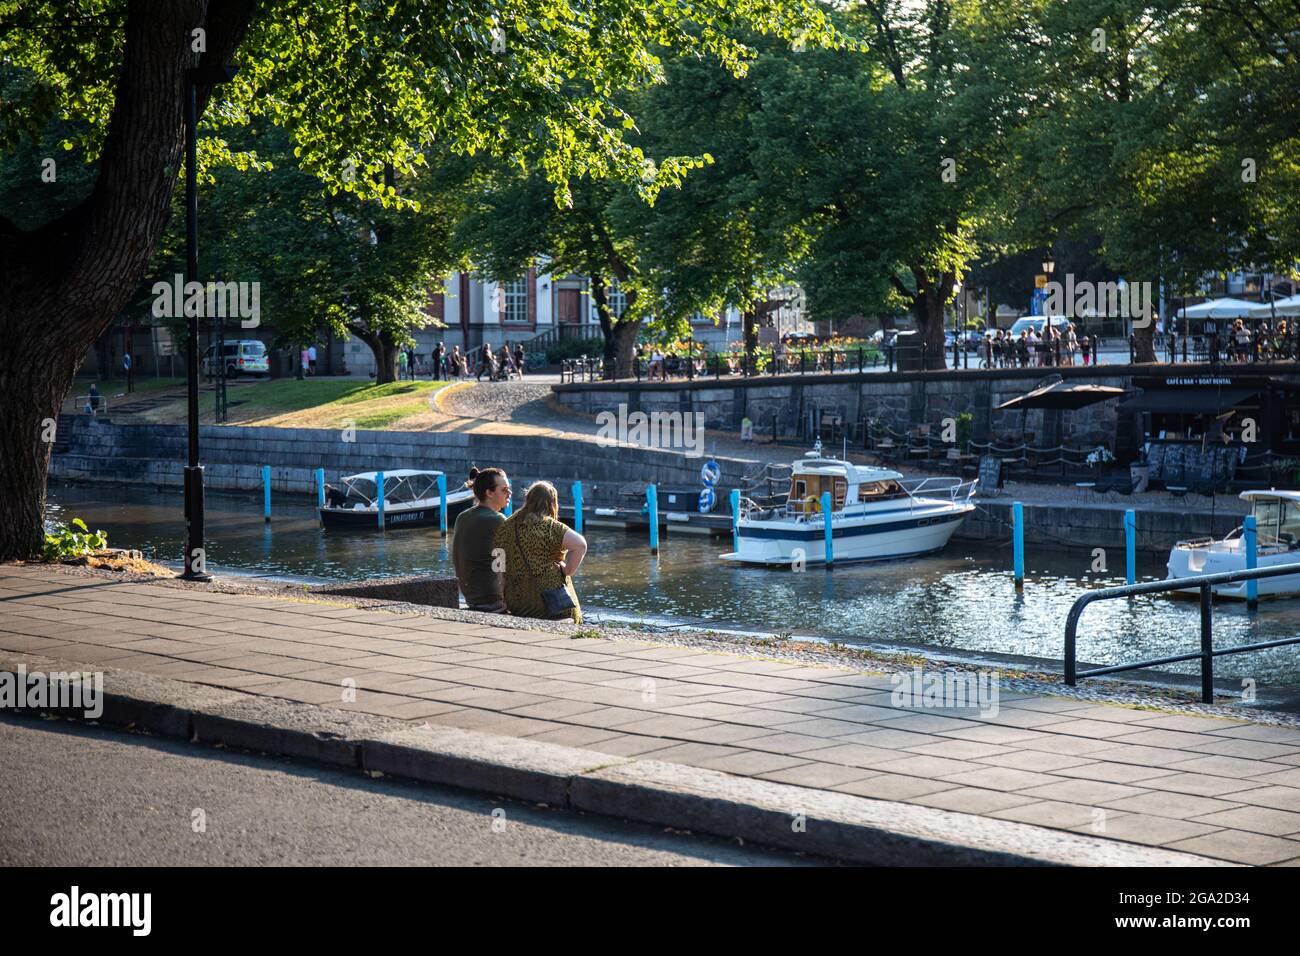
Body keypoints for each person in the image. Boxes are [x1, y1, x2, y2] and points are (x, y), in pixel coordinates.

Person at [494, 480, 587, 623]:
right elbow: (580, 545)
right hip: (553, 603)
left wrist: (501, 596)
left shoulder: (506, 526)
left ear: (528, 499)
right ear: (552, 503)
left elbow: (498, 567)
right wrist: (567, 570)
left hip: (518, 601)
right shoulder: (551, 527)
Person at [451, 467, 512, 613]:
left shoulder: (462, 517)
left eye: (509, 489)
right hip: (492, 600)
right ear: (489, 492)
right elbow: (503, 562)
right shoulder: (496, 520)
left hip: (471, 598)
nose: (509, 493)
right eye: (504, 490)